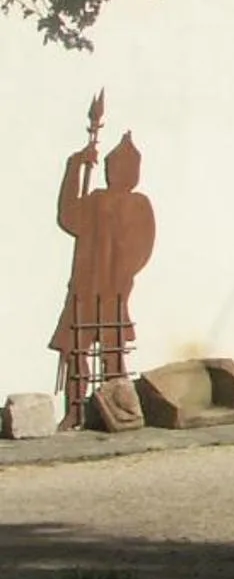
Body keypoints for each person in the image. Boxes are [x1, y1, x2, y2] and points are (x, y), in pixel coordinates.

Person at [52, 131, 155, 416]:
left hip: (113, 293)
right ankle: (75, 411)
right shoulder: (96, 200)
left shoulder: (139, 205)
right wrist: (75, 167)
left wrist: (121, 274)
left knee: (113, 356)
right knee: (75, 351)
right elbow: (69, 216)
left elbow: (141, 249)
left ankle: (117, 411)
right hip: (85, 291)